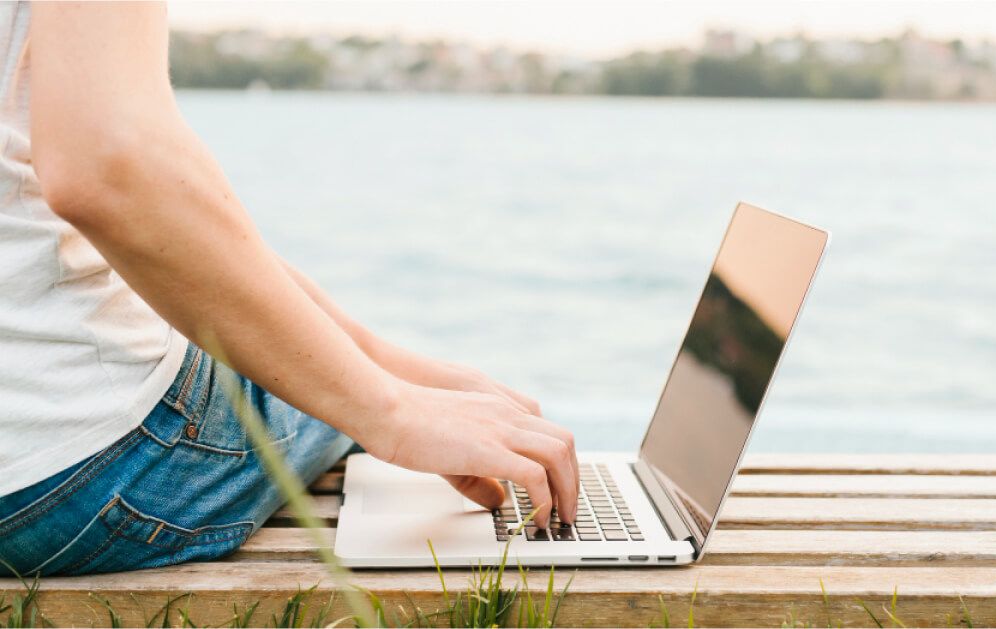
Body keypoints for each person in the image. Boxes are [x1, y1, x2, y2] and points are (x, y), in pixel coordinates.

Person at [0, 1, 577, 577]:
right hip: (69, 470)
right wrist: (392, 411)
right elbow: (109, 164)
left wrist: (387, 366)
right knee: (336, 403)